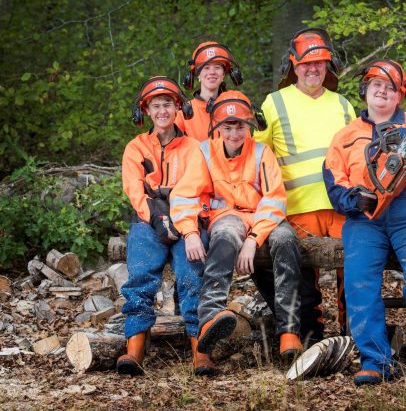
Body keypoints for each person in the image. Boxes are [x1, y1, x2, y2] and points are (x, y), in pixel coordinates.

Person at [323, 60, 406, 385]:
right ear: (365, 90)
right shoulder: (346, 135)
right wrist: (352, 201)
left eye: (391, 86)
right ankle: (375, 360)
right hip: (365, 216)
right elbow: (333, 183)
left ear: (400, 94)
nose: (382, 91)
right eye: (376, 84)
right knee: (359, 281)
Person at [170, 90, 303, 371]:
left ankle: (289, 331)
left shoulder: (261, 152)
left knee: (286, 239)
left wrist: (254, 239)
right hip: (226, 216)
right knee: (225, 236)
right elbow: (184, 195)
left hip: (264, 219)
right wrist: (190, 231)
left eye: (240, 126)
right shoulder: (204, 151)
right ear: (218, 128)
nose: (234, 133)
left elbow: (275, 198)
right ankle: (210, 317)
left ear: (249, 127)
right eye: (228, 127)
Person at [254, 28, 353, 342]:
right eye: (306, 64)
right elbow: (256, 157)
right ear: (293, 67)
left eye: (320, 63)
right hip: (296, 207)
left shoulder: (342, 105)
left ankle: (355, 339)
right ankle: (312, 341)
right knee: (304, 283)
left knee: (352, 278)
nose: (313, 69)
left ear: (328, 66)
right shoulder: (274, 103)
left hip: (342, 206)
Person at [117, 76, 208, 376]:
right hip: (148, 221)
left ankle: (200, 351)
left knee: (191, 276)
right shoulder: (135, 147)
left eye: (167, 104)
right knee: (140, 276)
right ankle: (135, 349)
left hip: (187, 222)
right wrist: (156, 217)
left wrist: (178, 219)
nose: (162, 111)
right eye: (156, 106)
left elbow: (194, 187)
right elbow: (134, 190)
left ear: (178, 107)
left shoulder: (193, 147)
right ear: (146, 110)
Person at [176, 41, 244, 140]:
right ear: (197, 75)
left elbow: (246, 149)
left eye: (217, 67)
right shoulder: (184, 114)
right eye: (206, 68)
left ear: (223, 74)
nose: (212, 72)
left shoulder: (235, 109)